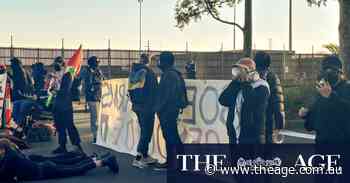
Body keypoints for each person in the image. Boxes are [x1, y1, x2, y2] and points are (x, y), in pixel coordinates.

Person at [0, 138, 118, 182]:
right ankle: (101, 159)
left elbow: (4, 176)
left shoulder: (9, 158)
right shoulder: (12, 153)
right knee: (75, 168)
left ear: (2, 150)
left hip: (45, 171)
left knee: (76, 169)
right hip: (45, 167)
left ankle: (104, 161)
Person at [299, 55, 350, 143]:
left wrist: (331, 96)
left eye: (332, 71)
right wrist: (306, 114)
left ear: (340, 73)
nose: (328, 73)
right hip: (322, 144)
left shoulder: (347, 88)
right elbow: (310, 126)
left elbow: (346, 112)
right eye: (325, 70)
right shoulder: (320, 90)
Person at [219, 58, 270, 144]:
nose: (239, 74)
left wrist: (246, 82)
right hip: (234, 135)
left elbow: (251, 103)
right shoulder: (238, 84)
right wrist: (235, 82)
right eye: (237, 71)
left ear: (251, 72)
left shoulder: (262, 86)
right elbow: (223, 100)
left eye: (241, 71)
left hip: (252, 136)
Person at [153, 51, 189, 170]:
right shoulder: (172, 74)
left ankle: (175, 162)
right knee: (171, 136)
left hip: (168, 111)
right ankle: (176, 162)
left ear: (164, 62)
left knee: (171, 137)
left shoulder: (169, 75)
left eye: (160, 60)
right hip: (170, 110)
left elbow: (167, 96)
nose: (158, 63)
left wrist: (158, 109)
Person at [128, 53, 158, 168]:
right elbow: (154, 90)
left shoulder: (133, 72)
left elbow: (130, 90)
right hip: (147, 107)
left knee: (144, 130)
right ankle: (139, 158)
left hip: (137, 106)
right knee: (146, 132)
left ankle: (145, 156)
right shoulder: (149, 73)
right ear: (149, 61)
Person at [254, 51, 286, 144]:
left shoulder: (250, 77)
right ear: (268, 63)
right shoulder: (272, 77)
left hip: (250, 124)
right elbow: (277, 102)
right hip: (267, 123)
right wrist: (279, 125)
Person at [52, 69, 83, 154]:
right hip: (57, 105)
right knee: (60, 127)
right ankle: (62, 146)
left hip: (65, 106)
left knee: (70, 126)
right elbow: (51, 89)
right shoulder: (55, 76)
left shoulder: (67, 75)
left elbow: (66, 90)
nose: (56, 70)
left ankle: (78, 146)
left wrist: (56, 91)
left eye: (58, 67)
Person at [78, 56, 104, 143]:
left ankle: (100, 135)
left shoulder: (98, 71)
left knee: (99, 117)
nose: (98, 64)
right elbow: (82, 80)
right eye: (96, 63)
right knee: (95, 117)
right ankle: (96, 136)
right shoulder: (87, 71)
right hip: (92, 97)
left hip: (99, 96)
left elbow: (103, 80)